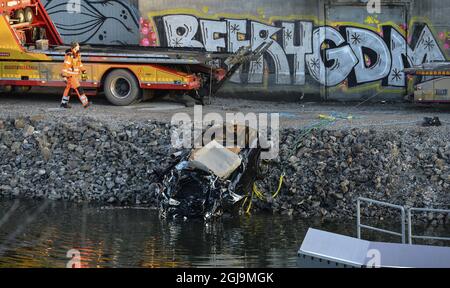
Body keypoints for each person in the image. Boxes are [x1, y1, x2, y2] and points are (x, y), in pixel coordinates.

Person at [60, 42, 90, 109]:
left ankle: (64, 103)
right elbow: (66, 66)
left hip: (74, 75)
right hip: (71, 76)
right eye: (78, 45)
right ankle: (85, 103)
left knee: (68, 89)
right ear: (74, 47)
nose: (79, 46)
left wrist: (83, 71)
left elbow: (79, 64)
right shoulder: (69, 55)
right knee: (79, 89)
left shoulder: (77, 54)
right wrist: (64, 76)